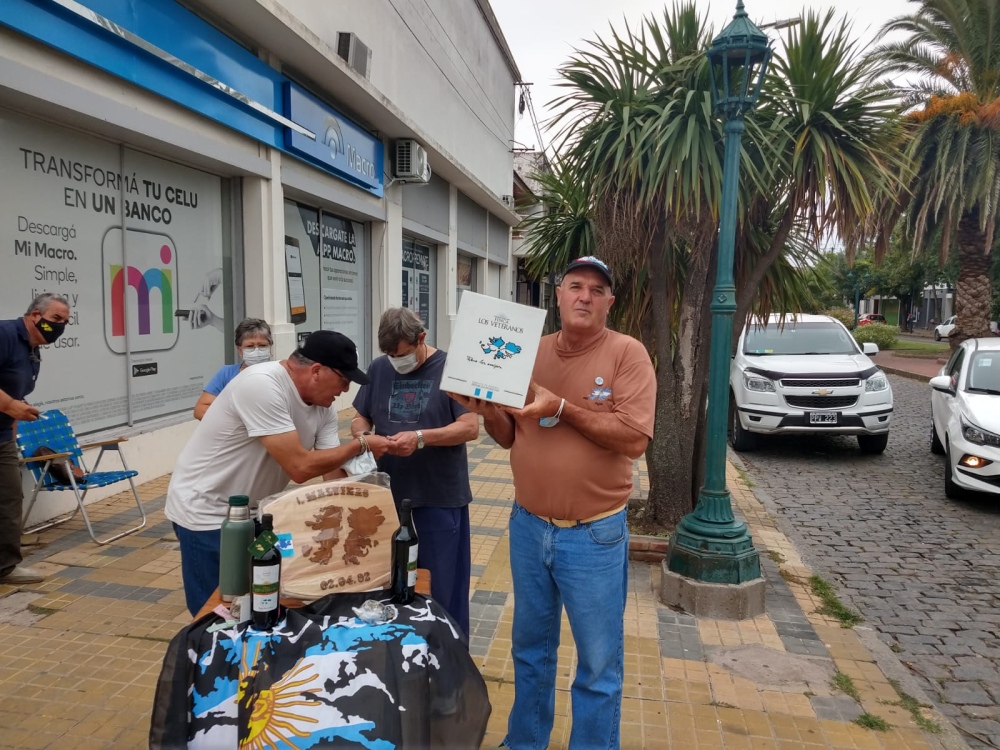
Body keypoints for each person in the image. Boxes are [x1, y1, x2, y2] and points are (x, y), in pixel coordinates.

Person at [450, 256, 656, 749]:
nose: (584, 296)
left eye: (597, 289)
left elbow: (633, 438)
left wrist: (562, 407)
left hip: (595, 534)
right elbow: (509, 435)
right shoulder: (526, 350)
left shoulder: (628, 354)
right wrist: (487, 411)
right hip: (527, 526)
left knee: (598, 664)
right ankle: (525, 742)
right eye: (575, 286)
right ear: (558, 295)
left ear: (609, 302)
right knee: (530, 651)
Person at [165, 330, 390, 616]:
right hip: (208, 513)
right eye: (343, 381)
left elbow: (332, 476)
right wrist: (361, 445)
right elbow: (300, 467)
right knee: (218, 616)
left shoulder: (324, 410)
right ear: (317, 371)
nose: (345, 391)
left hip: (256, 513)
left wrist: (369, 522)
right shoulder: (261, 384)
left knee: (260, 604)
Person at [351, 308, 479, 637]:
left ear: (421, 339)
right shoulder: (379, 369)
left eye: (402, 355)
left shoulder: (452, 369)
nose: (396, 362)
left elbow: (469, 427)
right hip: (387, 499)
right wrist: (363, 436)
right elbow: (359, 416)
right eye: (390, 356)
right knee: (389, 584)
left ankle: (447, 658)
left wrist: (421, 438)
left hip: (438, 498)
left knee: (441, 587)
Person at [0, 293, 72, 585]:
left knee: (8, 499)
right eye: (55, 319)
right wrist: (9, 406)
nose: (59, 327)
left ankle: (5, 567)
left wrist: (14, 421)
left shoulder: (33, 351)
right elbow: (11, 400)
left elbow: (17, 395)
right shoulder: (5, 334)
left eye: (65, 322)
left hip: (2, 437)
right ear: (34, 316)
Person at [193, 318, 273, 419]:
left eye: (262, 345)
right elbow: (200, 409)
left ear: (270, 347)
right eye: (250, 346)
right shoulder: (227, 373)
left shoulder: (281, 373)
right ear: (240, 350)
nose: (256, 350)